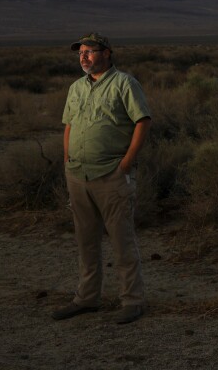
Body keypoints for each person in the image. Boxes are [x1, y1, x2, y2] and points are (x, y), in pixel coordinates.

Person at [52, 32, 152, 324]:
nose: (83, 56)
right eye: (80, 52)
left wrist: (126, 163)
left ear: (107, 53)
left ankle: (133, 301)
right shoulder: (76, 88)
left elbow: (142, 121)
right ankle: (87, 298)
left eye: (90, 51)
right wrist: (67, 158)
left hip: (111, 174)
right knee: (86, 241)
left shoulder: (124, 83)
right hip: (78, 175)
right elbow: (69, 124)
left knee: (122, 240)